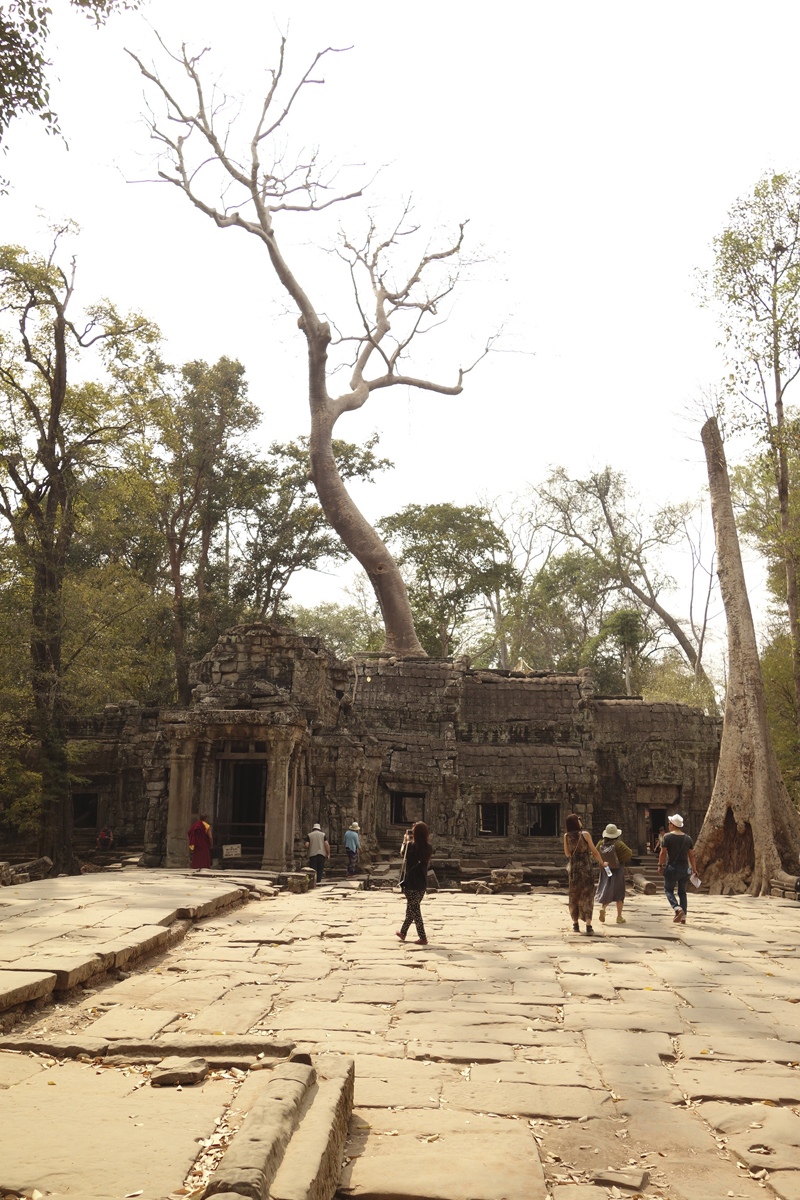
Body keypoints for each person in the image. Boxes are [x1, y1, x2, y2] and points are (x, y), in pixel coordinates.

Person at [564, 813, 605, 935]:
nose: (580, 821)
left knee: (574, 896)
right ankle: (588, 925)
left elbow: (567, 854)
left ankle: (575, 924)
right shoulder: (585, 835)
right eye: (578, 819)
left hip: (574, 870)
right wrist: (602, 863)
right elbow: (595, 852)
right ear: (575, 822)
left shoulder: (566, 836)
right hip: (586, 869)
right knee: (587, 895)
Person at [396, 821, 433, 945]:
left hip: (411, 882)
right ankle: (403, 932)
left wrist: (405, 840)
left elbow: (402, 853)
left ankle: (423, 937)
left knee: (415, 910)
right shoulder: (428, 848)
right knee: (411, 908)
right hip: (422, 883)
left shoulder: (410, 847)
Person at [658, 813, 698, 924]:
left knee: (668, 890)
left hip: (672, 868)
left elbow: (663, 852)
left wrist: (660, 865)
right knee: (682, 893)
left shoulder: (667, 837)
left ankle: (677, 908)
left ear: (672, 825)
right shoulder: (688, 838)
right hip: (685, 869)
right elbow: (691, 856)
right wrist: (694, 869)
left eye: (669, 823)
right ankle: (683, 917)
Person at [595, 823, 632, 924]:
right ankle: (619, 916)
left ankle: (603, 908)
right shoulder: (619, 844)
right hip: (617, 870)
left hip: (605, 869)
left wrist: (602, 862)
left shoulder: (600, 844)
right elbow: (628, 853)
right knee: (619, 892)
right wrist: (619, 859)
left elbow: (594, 854)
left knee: (606, 888)